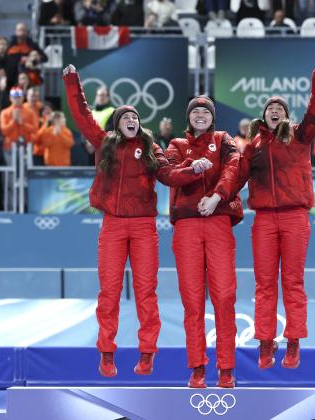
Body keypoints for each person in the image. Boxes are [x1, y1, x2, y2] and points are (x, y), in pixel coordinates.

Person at [63, 64, 203, 377]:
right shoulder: (106, 144)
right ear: (116, 124)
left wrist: (193, 170)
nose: (131, 120)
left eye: (135, 117)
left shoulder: (151, 148)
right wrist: (72, 81)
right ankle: (107, 352)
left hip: (143, 228)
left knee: (146, 291)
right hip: (112, 225)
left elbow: (168, 176)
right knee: (109, 292)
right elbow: (83, 115)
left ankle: (148, 352)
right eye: (125, 117)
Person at [237, 49, 315, 372]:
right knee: (264, 284)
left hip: (295, 217)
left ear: (286, 116)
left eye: (279, 108)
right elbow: (235, 177)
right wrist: (217, 198)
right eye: (269, 108)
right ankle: (265, 341)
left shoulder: (300, 137)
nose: (274, 110)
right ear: (263, 117)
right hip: (263, 219)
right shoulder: (253, 147)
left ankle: (293, 341)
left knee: (292, 281)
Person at [164, 95, 243, 389]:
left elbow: (233, 168)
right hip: (186, 226)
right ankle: (197, 368)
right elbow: (169, 175)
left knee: (224, 297)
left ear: (212, 117)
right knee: (193, 302)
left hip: (219, 222)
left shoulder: (224, 140)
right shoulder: (175, 145)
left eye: (205, 112)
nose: (200, 115)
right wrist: (190, 167)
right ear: (189, 117)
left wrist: (216, 196)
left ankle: (226, 369)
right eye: (195, 111)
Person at [0, 87, 38, 165]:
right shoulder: (5, 112)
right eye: (15, 97)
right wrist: (13, 122)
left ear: (23, 98)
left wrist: (22, 123)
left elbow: (35, 129)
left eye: (19, 97)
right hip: (10, 147)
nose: (17, 99)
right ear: (10, 98)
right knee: (11, 172)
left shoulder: (30, 112)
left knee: (26, 172)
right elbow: (3, 131)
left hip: (26, 146)